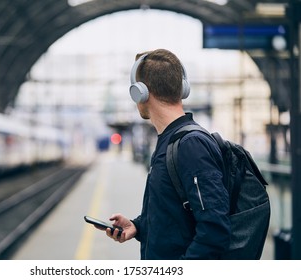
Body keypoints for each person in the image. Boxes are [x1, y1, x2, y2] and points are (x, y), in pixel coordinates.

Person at [98, 49, 231, 259]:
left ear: (140, 92)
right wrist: (138, 226)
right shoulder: (170, 141)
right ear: (182, 88)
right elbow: (176, 216)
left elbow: (215, 231)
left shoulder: (191, 145)